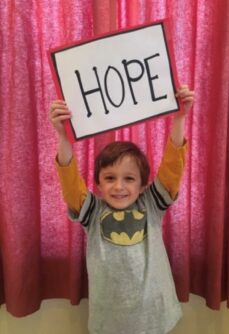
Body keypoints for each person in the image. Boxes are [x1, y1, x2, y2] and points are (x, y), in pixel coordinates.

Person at [49, 84, 194, 334]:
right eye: (109, 178)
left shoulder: (151, 203)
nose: (119, 187)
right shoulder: (93, 212)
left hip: (155, 314)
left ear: (142, 184)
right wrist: (63, 136)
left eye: (129, 178)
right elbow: (71, 185)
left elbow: (172, 169)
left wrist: (180, 118)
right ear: (98, 182)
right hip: (110, 320)